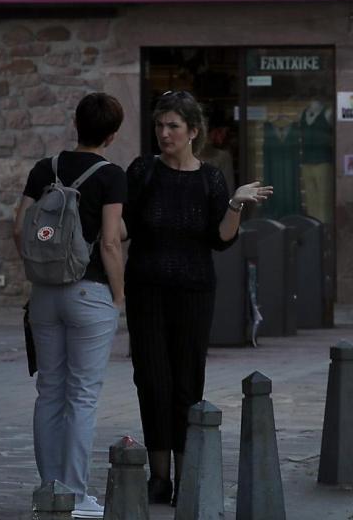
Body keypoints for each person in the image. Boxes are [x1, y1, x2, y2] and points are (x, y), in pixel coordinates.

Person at [124, 91, 274, 504]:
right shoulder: (142, 171)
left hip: (193, 291)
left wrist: (235, 204)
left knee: (187, 380)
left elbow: (221, 239)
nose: (164, 133)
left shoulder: (210, 178)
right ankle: (159, 477)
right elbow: (123, 227)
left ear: (193, 132)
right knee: (152, 380)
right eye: (160, 125)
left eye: (173, 126)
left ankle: (187, 472)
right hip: (147, 291)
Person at [18, 93, 129, 519]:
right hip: (90, 291)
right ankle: (77, 495)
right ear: (112, 134)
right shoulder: (111, 175)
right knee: (81, 396)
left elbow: (19, 227)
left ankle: (48, 490)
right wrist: (118, 297)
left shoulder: (45, 169)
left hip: (44, 293)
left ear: (76, 125)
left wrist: (39, 272)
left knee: (49, 391)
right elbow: (111, 241)